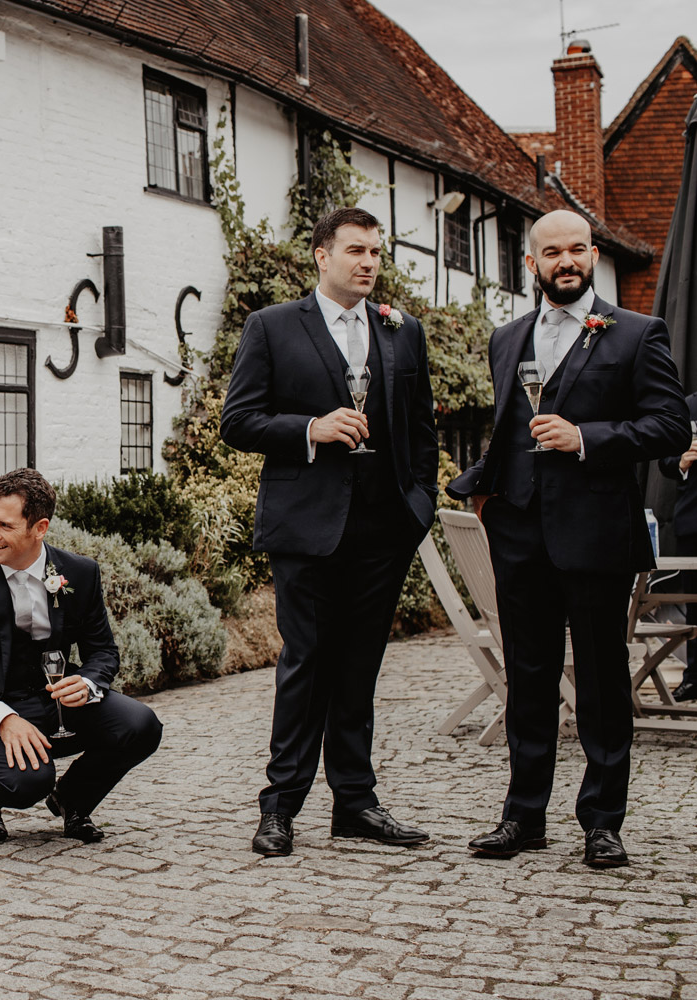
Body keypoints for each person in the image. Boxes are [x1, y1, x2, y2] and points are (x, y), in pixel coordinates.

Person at [448, 209, 688, 868]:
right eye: (552, 252)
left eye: (577, 249)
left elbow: (668, 426)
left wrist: (589, 438)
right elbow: (503, 430)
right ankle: (523, 817)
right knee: (528, 678)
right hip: (520, 532)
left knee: (606, 681)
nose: (567, 261)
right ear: (532, 263)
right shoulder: (506, 337)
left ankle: (602, 822)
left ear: (593, 255)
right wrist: (481, 488)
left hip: (597, 533)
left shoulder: (636, 333)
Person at [220, 206, 439, 858]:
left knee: (359, 669)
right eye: (356, 251)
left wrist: (417, 507)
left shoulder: (404, 332)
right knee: (305, 666)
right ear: (322, 255)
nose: (369, 262)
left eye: (376, 252)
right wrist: (311, 429)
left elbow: (422, 430)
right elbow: (239, 421)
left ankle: (357, 804)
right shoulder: (273, 327)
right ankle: (280, 806)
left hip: (383, 531)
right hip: (306, 527)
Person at [0, 468, 162, 844]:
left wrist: (87, 683)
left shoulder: (80, 573)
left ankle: (74, 800)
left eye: (5, 525)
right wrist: (4, 721)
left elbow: (102, 651)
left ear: (39, 528)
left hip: (55, 699)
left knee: (141, 726)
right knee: (28, 782)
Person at [656, 393, 697, 703]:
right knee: (694, 606)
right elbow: (665, 460)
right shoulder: (687, 406)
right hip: (693, 521)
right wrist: (682, 461)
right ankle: (694, 677)